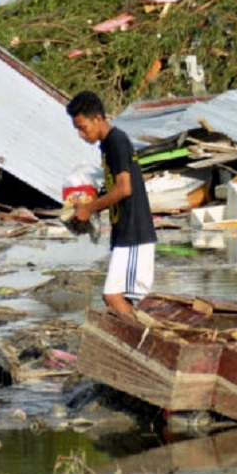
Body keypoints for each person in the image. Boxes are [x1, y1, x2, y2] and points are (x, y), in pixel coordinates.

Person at [66, 91, 157, 320]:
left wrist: (89, 208)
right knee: (116, 298)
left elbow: (124, 189)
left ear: (98, 119)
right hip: (124, 232)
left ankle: (142, 345)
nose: (80, 134)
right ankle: (139, 343)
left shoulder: (117, 142)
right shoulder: (108, 145)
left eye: (82, 127)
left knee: (114, 297)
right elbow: (117, 189)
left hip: (135, 232)